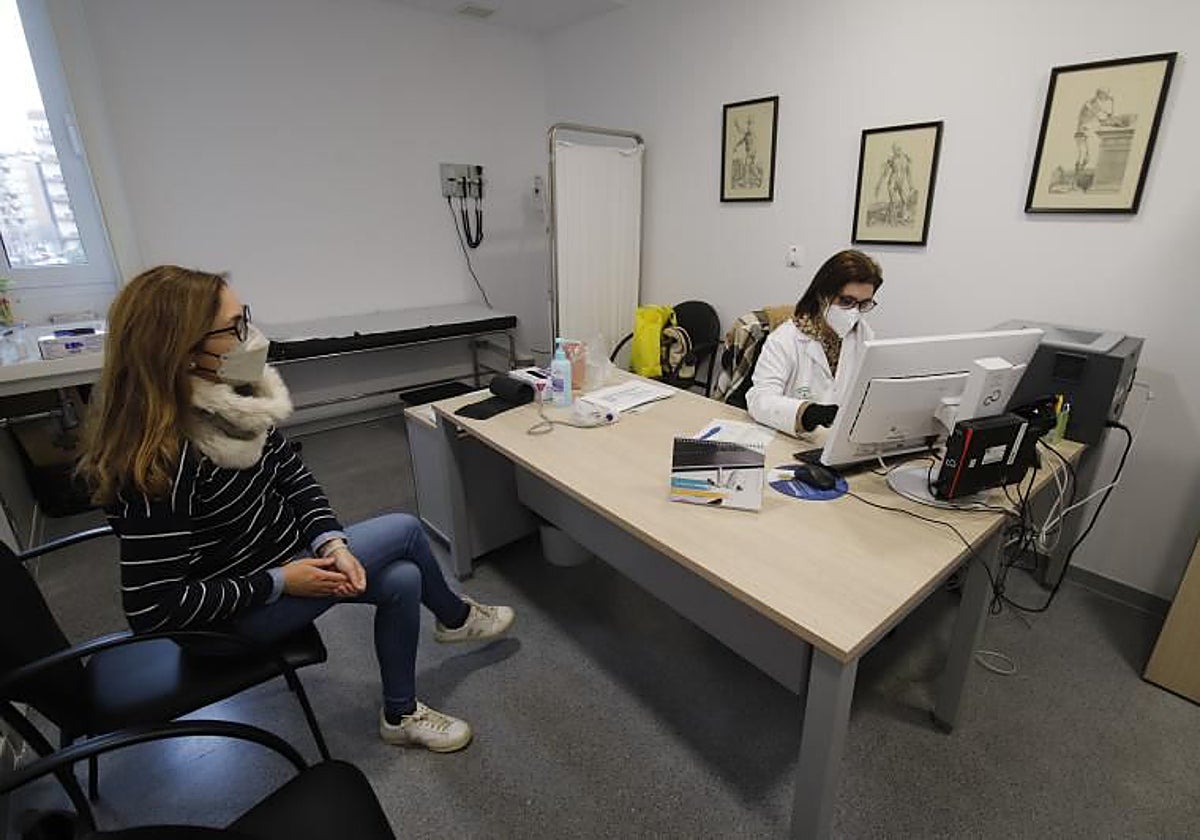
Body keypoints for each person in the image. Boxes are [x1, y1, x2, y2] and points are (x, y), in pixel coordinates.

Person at [79, 266, 513, 753]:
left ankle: (400, 714)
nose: (250, 338)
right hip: (228, 623)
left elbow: (294, 478)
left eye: (244, 318)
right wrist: (281, 582)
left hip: (275, 565)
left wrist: (331, 543)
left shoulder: (232, 402)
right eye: (233, 328)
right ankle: (455, 618)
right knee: (406, 530)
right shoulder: (163, 461)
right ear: (181, 351)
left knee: (403, 580)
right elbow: (152, 610)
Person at [745, 249, 882, 436]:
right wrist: (807, 413)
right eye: (846, 301)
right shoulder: (785, 339)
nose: (854, 312)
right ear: (823, 295)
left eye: (863, 304)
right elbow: (759, 399)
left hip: (839, 438)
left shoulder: (863, 335)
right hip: (794, 438)